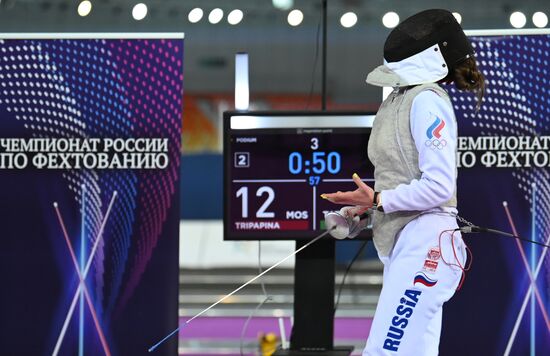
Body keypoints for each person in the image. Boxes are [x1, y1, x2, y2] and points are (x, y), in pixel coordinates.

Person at [321, 9, 485, 355]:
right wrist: (366, 212)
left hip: (427, 242)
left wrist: (379, 200)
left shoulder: (427, 100)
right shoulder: (401, 99)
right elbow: (402, 178)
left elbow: (440, 187)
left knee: (386, 351)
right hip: (408, 243)